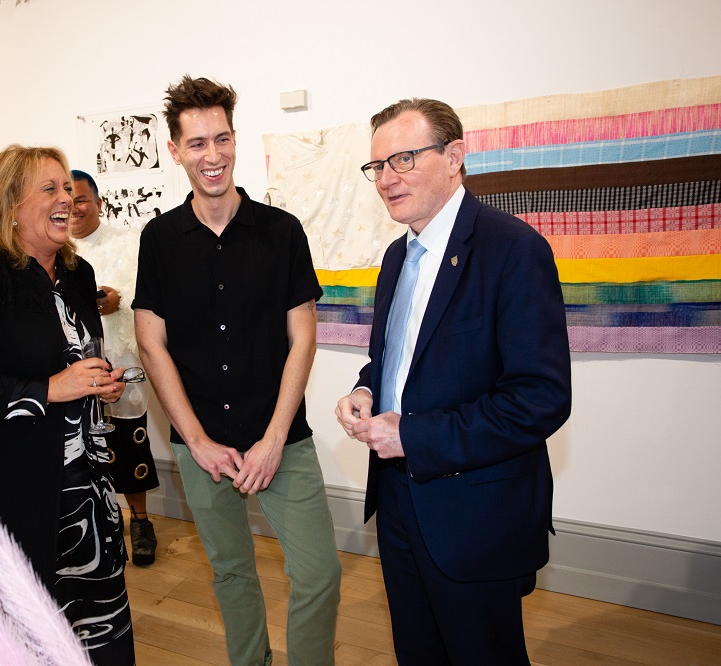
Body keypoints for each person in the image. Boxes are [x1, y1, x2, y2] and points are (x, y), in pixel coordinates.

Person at [335, 98, 572, 664]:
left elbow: (541, 398)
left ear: (455, 157)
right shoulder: (397, 257)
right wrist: (366, 390)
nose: (387, 179)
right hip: (395, 502)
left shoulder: (513, 250)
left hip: (475, 517)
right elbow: (395, 361)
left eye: (404, 159)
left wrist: (414, 436)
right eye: (377, 166)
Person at [133, 75, 341, 666]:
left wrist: (274, 439)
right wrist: (196, 441)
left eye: (221, 139)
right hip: (203, 447)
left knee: (320, 574)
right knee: (230, 574)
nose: (213, 155)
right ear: (176, 151)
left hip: (282, 439)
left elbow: (303, 336)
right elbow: (152, 344)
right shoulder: (160, 239)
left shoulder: (281, 231)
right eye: (197, 143)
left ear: (234, 140)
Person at [0, 145, 135, 665]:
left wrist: (98, 384)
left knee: (96, 627)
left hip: (85, 490)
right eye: (51, 189)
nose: (67, 198)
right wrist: (49, 389)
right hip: (14, 492)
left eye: (68, 188)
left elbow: (75, 361)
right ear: (11, 203)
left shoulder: (77, 275)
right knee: (23, 634)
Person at [69, 169, 161, 566]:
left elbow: (147, 293)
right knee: (80, 445)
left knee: (128, 443)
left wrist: (118, 299)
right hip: (70, 370)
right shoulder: (50, 248)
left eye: (81, 200)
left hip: (120, 364)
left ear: (98, 203)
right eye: (65, 200)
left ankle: (140, 521)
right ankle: (94, 522)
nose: (72, 208)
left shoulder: (128, 244)